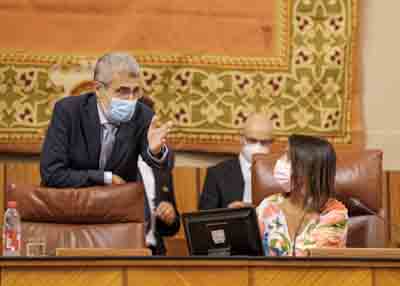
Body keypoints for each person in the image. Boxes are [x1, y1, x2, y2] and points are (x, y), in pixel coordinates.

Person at [40, 53, 178, 254]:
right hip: (70, 217)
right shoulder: (68, 111)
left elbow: (156, 162)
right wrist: (105, 178)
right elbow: (52, 173)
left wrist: (156, 151)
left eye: (135, 91)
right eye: (122, 91)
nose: (130, 99)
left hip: (116, 223)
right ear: (98, 89)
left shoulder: (141, 115)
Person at [257, 134, 348, 256]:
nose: (280, 161)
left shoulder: (335, 215)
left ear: (309, 169)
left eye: (288, 157)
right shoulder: (268, 205)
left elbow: (314, 263)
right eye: (283, 154)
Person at [199, 113, 273, 210]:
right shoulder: (217, 174)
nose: (258, 147)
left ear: (271, 143)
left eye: (264, 142)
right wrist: (228, 212)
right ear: (241, 138)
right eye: (252, 140)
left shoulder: (279, 175)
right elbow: (203, 219)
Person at [137, 96, 180, 255]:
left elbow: (173, 227)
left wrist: (170, 216)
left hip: (155, 253)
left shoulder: (162, 162)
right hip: (122, 252)